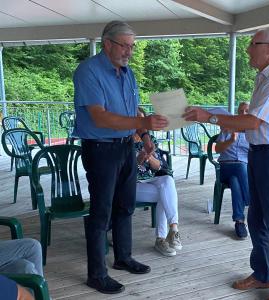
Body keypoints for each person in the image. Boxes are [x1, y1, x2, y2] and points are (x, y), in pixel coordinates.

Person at [183, 26, 269, 300]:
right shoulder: (264, 77)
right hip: (259, 155)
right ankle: (262, 275)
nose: (248, 49)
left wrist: (209, 117)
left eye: (253, 44)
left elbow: (253, 121)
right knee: (256, 218)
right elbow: (253, 123)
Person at [73, 20, 168, 294]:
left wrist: (146, 135)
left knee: (125, 205)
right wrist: (144, 123)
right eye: (125, 46)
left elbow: (133, 109)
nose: (130, 51)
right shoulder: (88, 71)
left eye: (132, 46)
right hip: (101, 148)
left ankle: (123, 258)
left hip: (127, 146)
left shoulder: (128, 73)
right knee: (101, 212)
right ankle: (96, 274)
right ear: (107, 44)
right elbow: (99, 116)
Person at [134, 109, 182, 257]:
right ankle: (161, 238)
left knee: (167, 181)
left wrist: (148, 157)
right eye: (137, 120)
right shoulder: (122, 139)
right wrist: (137, 160)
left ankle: (173, 230)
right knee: (165, 194)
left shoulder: (150, 140)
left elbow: (160, 166)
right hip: (131, 184)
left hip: (151, 179)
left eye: (143, 120)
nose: (141, 125)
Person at [215, 102, 250, 239]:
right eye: (240, 111)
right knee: (240, 167)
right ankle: (250, 202)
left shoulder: (253, 133)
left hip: (242, 172)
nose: (243, 114)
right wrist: (231, 140)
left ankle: (239, 221)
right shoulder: (228, 128)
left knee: (236, 182)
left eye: (247, 111)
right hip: (226, 167)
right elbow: (217, 149)